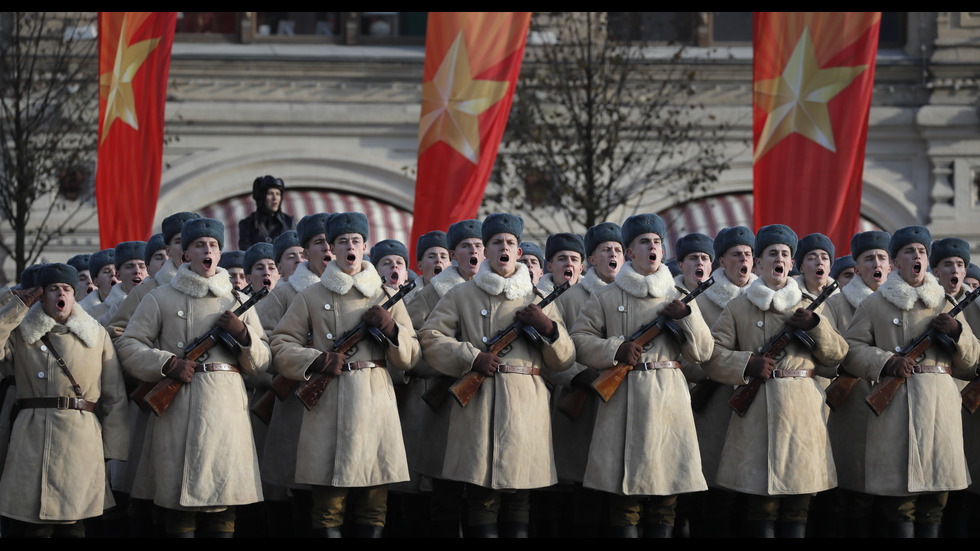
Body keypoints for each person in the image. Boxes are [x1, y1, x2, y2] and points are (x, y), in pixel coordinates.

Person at [420, 213, 575, 537]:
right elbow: (431, 338)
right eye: (496, 243)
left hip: (525, 406)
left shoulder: (536, 299)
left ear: (519, 252)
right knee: (481, 497)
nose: (504, 247)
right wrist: (471, 357)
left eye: (510, 243)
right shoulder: (461, 295)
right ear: (486, 251)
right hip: (479, 403)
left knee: (520, 497)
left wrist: (547, 328)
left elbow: (564, 359)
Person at [116, 217, 271, 538]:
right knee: (178, 506)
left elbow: (263, 359)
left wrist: (243, 334)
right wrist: (166, 364)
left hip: (227, 411)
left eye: (213, 245)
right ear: (185, 254)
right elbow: (129, 345)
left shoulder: (238, 300)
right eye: (200, 245)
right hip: (179, 409)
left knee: (224, 506)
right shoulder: (160, 298)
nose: (208, 250)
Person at [270, 212, 419, 538]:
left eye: (355, 241)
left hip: (374, 401)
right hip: (328, 404)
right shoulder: (311, 296)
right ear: (332, 248)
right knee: (328, 504)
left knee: (373, 503)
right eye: (341, 241)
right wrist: (317, 360)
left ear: (365, 246)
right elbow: (280, 345)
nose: (349, 247)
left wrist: (392, 328)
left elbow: (411, 355)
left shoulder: (385, 295)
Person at [571, 214, 712, 538]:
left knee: (666, 498)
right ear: (629, 252)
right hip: (624, 398)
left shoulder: (679, 297)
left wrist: (687, 316)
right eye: (644, 242)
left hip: (669, 400)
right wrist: (615, 350)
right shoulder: (606, 297)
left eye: (657, 242)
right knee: (626, 498)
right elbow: (578, 341)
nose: (652, 247)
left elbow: (703, 353)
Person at [704, 224, 846, 538]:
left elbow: (838, 356)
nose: (779, 259)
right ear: (758, 263)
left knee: (799, 502)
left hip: (802, 412)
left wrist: (817, 325)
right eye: (772, 254)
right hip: (757, 411)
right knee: (761, 504)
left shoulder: (811, 304)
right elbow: (712, 355)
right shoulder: (739, 306)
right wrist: (747, 364)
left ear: (791, 263)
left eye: (784, 254)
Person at [844, 226, 980, 537]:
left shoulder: (944, 303)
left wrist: (957, 333)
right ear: (894, 262)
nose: (916, 256)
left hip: (939, 408)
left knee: (936, 500)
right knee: (899, 503)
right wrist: (886, 361)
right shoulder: (875, 304)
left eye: (921, 251)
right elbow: (851, 350)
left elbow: (973, 362)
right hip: (895, 409)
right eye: (909, 251)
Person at [0, 263, 129, 537]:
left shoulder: (96, 333)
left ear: (74, 294)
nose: (61, 294)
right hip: (31, 436)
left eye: (67, 289)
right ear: (41, 295)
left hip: (81, 437)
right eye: (53, 289)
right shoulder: (22, 332)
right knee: (33, 525)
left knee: (74, 525)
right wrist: (14, 310)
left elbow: (114, 397)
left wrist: (111, 452)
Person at [404, 219, 484, 537]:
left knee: (480, 496)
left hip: (483, 402)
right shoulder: (426, 297)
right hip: (443, 402)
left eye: (478, 246)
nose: (473, 252)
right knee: (445, 494)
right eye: (466, 247)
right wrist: (459, 360)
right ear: (453, 255)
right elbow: (412, 354)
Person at [547, 221, 624, 537]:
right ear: (591, 259)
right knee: (582, 494)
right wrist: (582, 377)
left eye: (618, 249)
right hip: (583, 405)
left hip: (621, 403)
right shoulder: (566, 298)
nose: (613, 254)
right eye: (606, 249)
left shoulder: (631, 295)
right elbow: (551, 353)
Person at [257, 213, 330, 538]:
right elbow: (268, 342)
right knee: (300, 491)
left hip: (341, 401)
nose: (328, 248)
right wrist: (309, 354)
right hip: (299, 401)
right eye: (320, 242)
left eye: (335, 241)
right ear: (306, 250)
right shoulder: (285, 293)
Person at [822, 230, 891, 537]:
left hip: (895, 410)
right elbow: (829, 356)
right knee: (855, 499)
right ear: (858, 268)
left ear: (890, 266)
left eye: (882, 257)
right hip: (853, 409)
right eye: (868, 259)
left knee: (893, 500)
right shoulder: (836, 305)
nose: (876, 263)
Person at [928, 237, 980, 537]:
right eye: (948, 264)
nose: (955, 270)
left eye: (960, 264)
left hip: (970, 407)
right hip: (938, 405)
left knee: (967, 485)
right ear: (935, 270)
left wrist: (959, 333)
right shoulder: (927, 302)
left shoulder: (975, 304)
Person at [238, 175, 295, 250]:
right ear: (261, 197)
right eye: (270, 193)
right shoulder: (247, 224)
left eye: (278, 194)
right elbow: (246, 254)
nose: (275, 198)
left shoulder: (289, 222)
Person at [100, 241, 147, 326]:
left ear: (149, 270)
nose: (137, 271)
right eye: (129, 267)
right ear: (118, 275)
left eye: (142, 266)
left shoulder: (160, 303)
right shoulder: (100, 313)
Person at [78, 248, 118, 319]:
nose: (113, 273)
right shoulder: (81, 314)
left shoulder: (134, 305)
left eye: (117, 271)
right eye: (106, 271)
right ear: (96, 281)